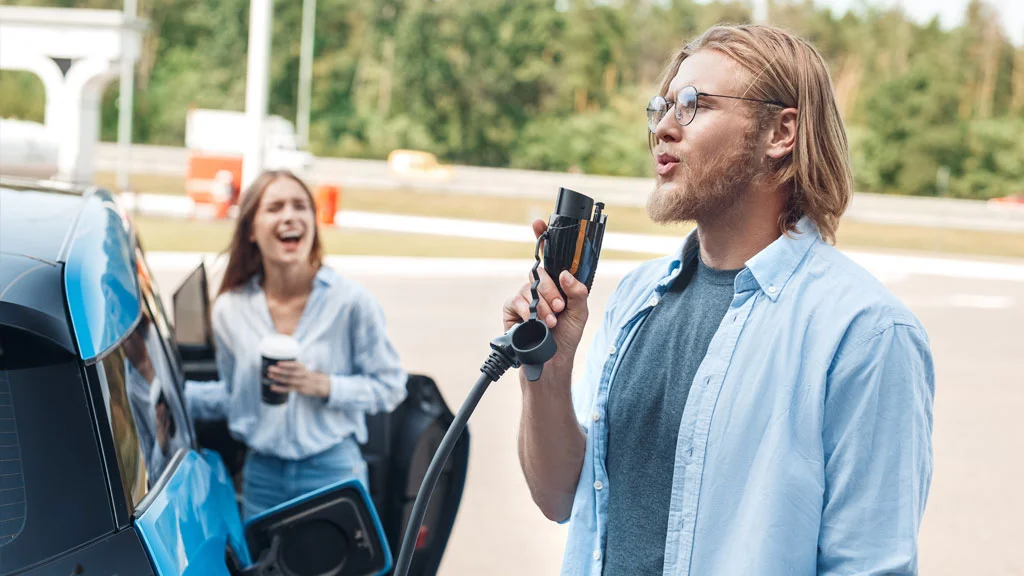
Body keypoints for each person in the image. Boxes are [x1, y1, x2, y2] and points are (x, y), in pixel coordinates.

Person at [506, 24, 934, 575]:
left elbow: (870, 565)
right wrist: (548, 369)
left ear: (781, 133)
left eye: (693, 105)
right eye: (662, 107)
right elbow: (558, 496)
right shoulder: (636, 299)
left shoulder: (865, 333)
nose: (663, 128)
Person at [186, 170, 407, 519]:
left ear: (312, 223)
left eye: (300, 206)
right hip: (262, 477)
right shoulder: (230, 309)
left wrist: (322, 385)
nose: (290, 215)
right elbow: (235, 395)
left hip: (334, 472)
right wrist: (166, 395)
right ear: (251, 230)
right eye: (274, 207)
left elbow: (391, 387)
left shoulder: (350, 302)